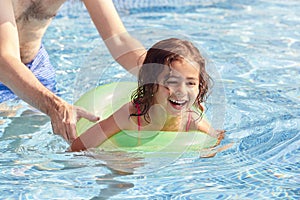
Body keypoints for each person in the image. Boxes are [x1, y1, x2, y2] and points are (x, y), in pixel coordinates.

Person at [0, 0, 145, 143]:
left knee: (54, 140)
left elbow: (119, 39)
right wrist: (55, 106)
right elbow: (4, 59)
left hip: (37, 69)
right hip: (4, 66)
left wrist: (158, 74)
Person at [71, 38, 225, 152]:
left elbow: (216, 138)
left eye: (191, 83)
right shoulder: (130, 115)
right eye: (171, 81)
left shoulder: (190, 118)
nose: (182, 91)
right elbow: (80, 146)